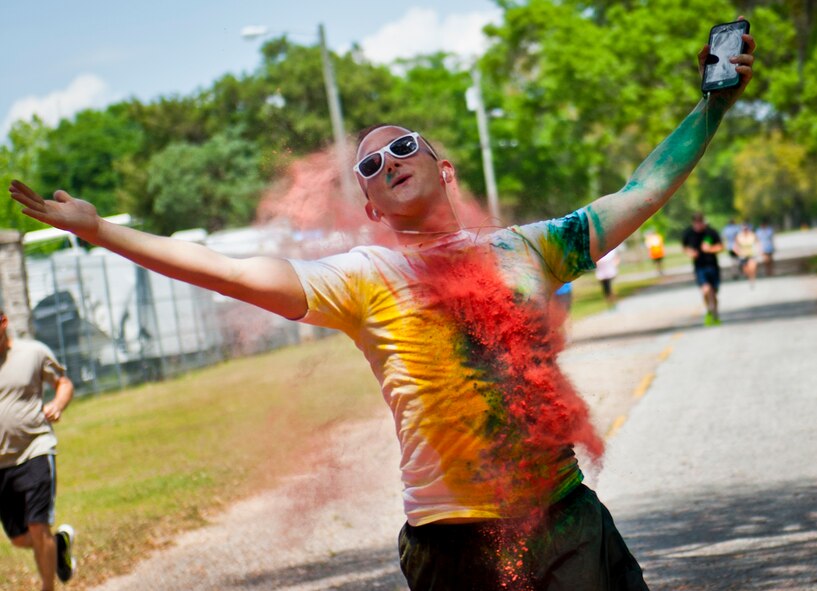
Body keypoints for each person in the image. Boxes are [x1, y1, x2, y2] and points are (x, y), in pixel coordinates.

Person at [8, 26, 754, 591]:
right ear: (368, 205)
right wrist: (101, 230)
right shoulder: (367, 275)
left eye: (400, 147)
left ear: (442, 165)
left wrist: (711, 105)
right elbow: (232, 270)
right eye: (368, 164)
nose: (386, 161)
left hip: (564, 518)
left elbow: (640, 190)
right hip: (453, 544)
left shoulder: (534, 247)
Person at [0, 310, 76, 590]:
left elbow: (63, 383)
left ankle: (47, 587)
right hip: (1, 464)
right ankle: (56, 546)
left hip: (35, 448)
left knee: (37, 525)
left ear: (3, 322)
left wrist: (57, 404)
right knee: (19, 538)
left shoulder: (33, 353)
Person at [682, 212, 724, 326]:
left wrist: (710, 249)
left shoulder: (711, 232)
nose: (698, 225)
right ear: (693, 223)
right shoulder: (689, 233)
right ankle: (709, 311)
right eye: (696, 223)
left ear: (703, 222)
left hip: (712, 266)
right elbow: (684, 247)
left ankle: (715, 313)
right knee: (706, 290)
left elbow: (721, 246)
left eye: (700, 222)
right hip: (699, 267)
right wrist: (690, 252)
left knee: (713, 293)